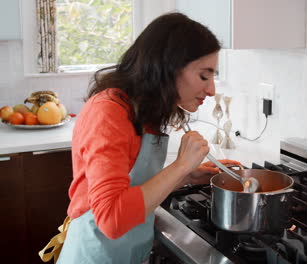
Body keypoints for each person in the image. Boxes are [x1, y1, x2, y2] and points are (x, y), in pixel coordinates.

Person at [56, 12, 239, 264]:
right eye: (204, 76)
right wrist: (181, 165)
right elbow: (111, 219)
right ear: (169, 67)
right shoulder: (108, 112)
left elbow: (132, 190)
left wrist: (187, 177)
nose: (211, 90)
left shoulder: (144, 110)